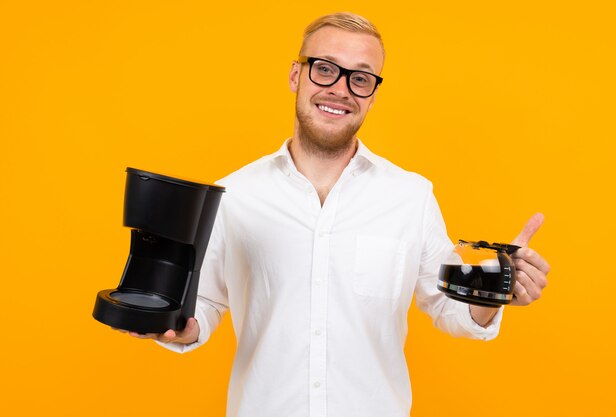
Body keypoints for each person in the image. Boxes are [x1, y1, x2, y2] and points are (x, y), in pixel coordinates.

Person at [120, 12, 550, 417]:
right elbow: (208, 301)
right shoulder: (235, 194)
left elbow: (448, 307)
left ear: (373, 94)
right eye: (325, 68)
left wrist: (495, 288)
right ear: (296, 75)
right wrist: (180, 329)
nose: (340, 89)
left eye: (360, 78)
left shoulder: (411, 196)